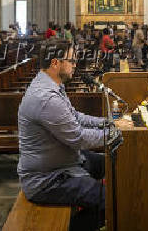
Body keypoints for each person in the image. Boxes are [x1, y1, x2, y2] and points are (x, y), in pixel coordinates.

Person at [18, 46, 108, 231]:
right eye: (72, 61)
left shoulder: (53, 84)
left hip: (64, 163)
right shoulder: (46, 98)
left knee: (112, 164)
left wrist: (107, 124)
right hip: (47, 180)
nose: (75, 65)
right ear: (55, 63)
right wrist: (113, 135)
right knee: (106, 198)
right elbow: (77, 138)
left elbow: (75, 116)